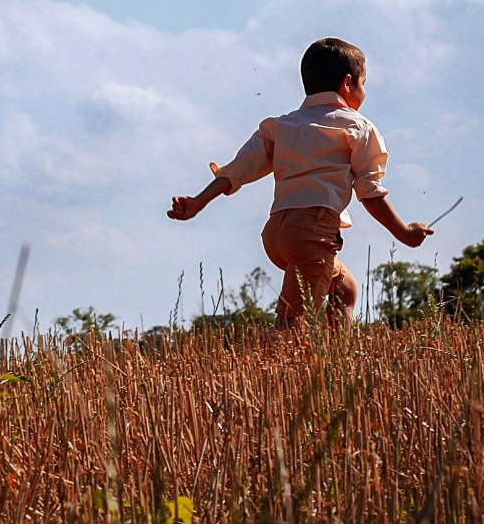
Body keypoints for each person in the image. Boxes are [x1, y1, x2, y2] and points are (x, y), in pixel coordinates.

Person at [167, 37, 432, 329]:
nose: (364, 91)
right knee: (291, 324)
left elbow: (236, 171)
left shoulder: (283, 125)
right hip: (312, 232)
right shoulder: (357, 126)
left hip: (277, 233)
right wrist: (404, 232)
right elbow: (369, 192)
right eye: (363, 83)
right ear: (347, 83)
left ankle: (334, 360)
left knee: (345, 289)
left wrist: (198, 201)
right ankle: (279, 371)